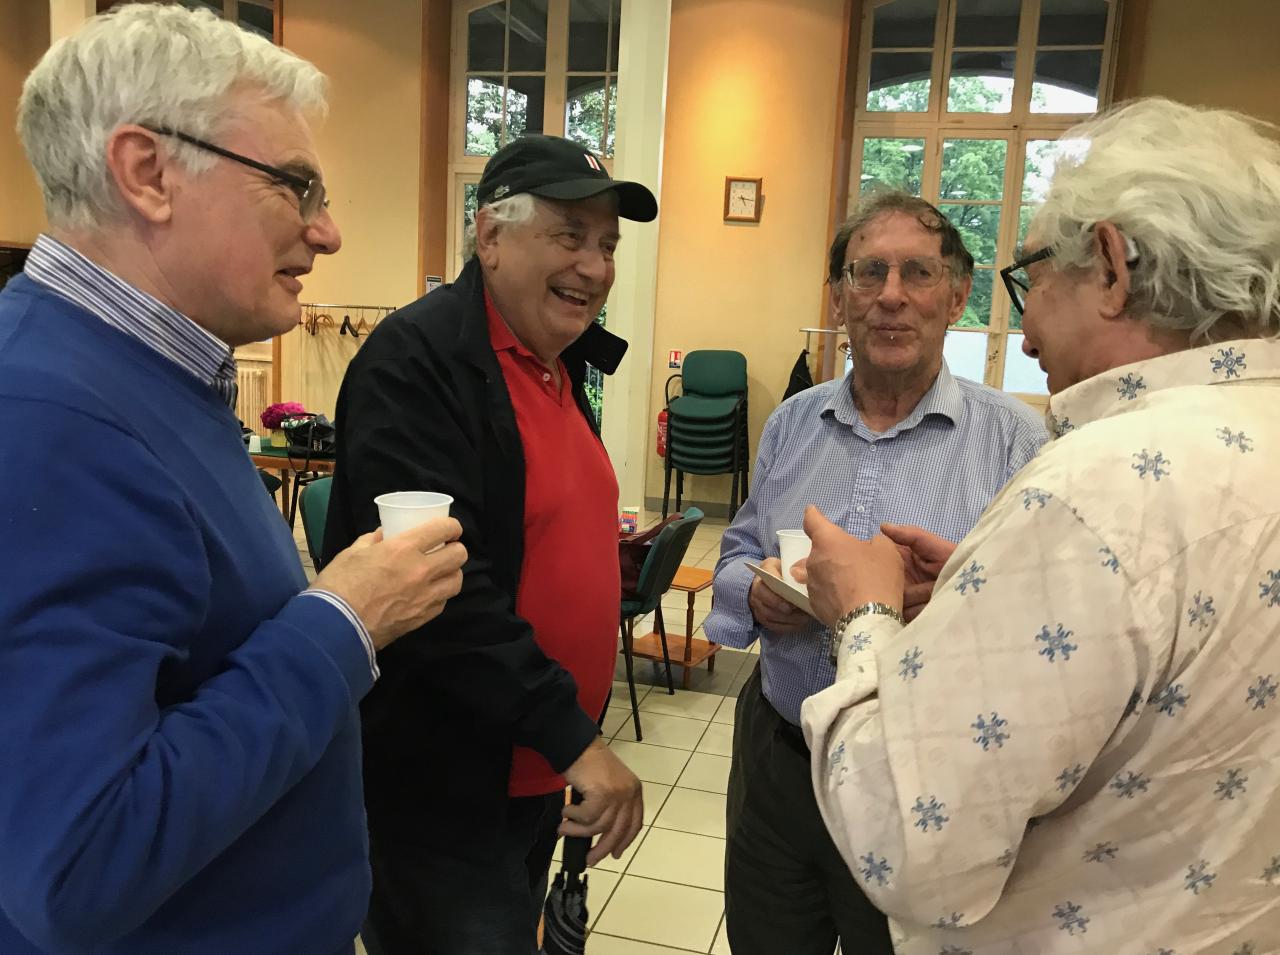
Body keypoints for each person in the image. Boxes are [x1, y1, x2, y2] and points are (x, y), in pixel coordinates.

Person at [0, 6, 467, 953]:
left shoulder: (145, 380)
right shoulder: (49, 418)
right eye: (296, 186)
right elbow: (76, 864)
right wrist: (344, 619)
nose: (327, 231)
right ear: (147, 173)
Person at [799, 97, 1280, 954]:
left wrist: (865, 618)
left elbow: (906, 839)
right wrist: (982, 598)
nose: (1024, 330)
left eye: (1033, 278)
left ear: (1112, 266)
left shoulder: (1096, 485)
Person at [322, 134, 658, 954]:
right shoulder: (419, 361)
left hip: (530, 766)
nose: (594, 266)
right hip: (446, 788)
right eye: (570, 235)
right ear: (491, 234)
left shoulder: (555, 362)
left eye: (608, 244)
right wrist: (574, 737)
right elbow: (440, 589)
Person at [703, 191, 1048, 955]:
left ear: (956, 296)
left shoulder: (1016, 442)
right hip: (780, 762)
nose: (891, 295)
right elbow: (739, 548)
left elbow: (1045, 624)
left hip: (925, 778)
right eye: (869, 272)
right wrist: (756, 591)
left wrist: (949, 599)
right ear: (839, 297)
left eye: (918, 272)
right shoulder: (793, 422)